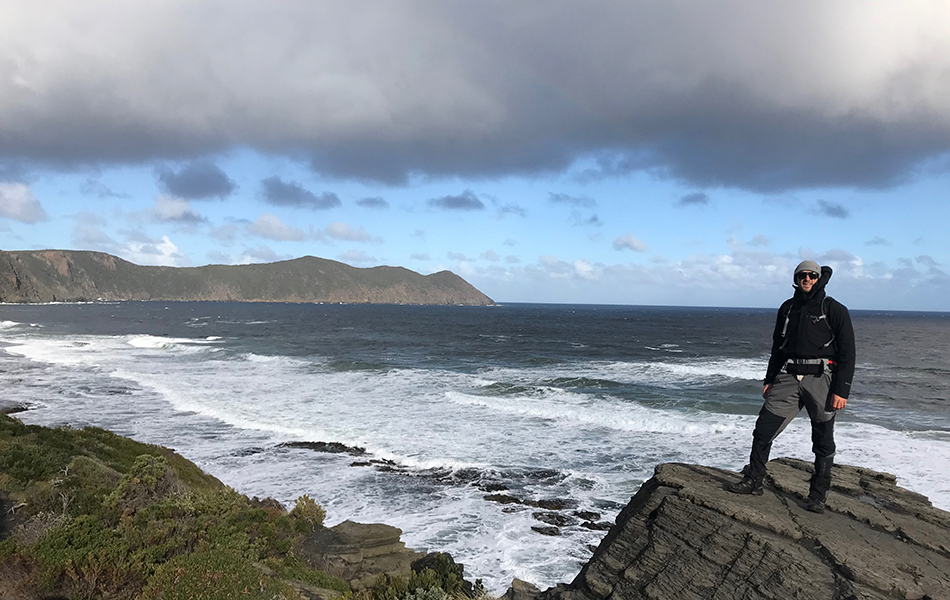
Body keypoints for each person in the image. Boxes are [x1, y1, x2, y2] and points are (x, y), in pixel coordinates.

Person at [726, 260, 855, 513]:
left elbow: (848, 353)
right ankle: (754, 480)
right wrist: (770, 379)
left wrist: (842, 390)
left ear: (819, 278)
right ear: (796, 279)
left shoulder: (834, 309)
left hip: (821, 379)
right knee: (763, 430)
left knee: (822, 440)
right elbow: (777, 347)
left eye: (811, 275)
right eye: (802, 275)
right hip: (788, 376)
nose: (806, 279)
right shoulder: (787, 308)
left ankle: (817, 496)